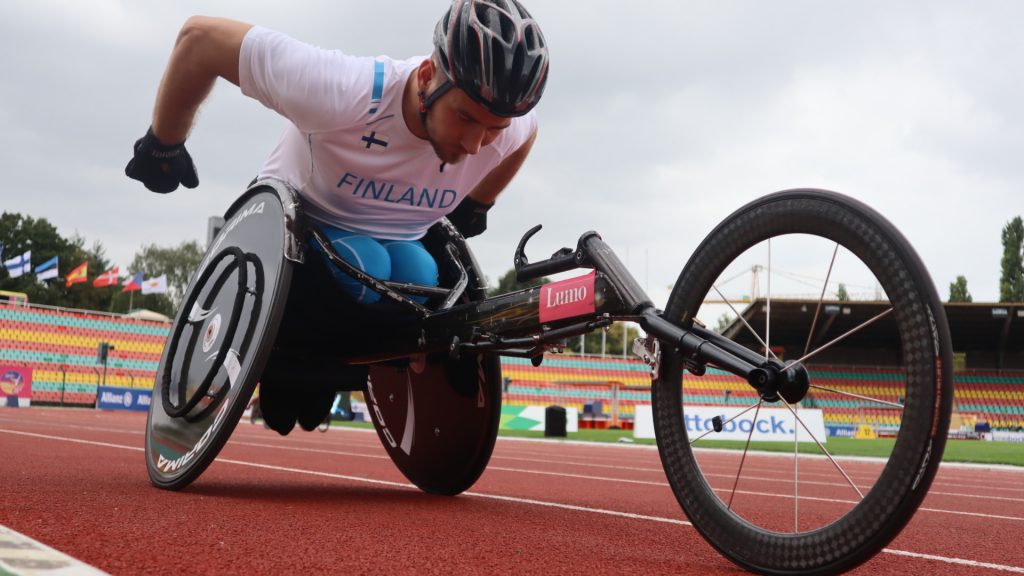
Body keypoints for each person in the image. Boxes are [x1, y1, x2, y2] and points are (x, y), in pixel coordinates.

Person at [126, 0, 549, 433]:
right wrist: (164, 142)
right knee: (378, 265)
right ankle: (299, 358)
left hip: (401, 249)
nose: (477, 145)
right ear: (427, 78)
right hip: (301, 239)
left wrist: (480, 202)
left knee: (420, 268)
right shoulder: (346, 90)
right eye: (465, 118)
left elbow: (526, 132)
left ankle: (348, 357)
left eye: (493, 130)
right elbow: (201, 39)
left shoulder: (509, 125)